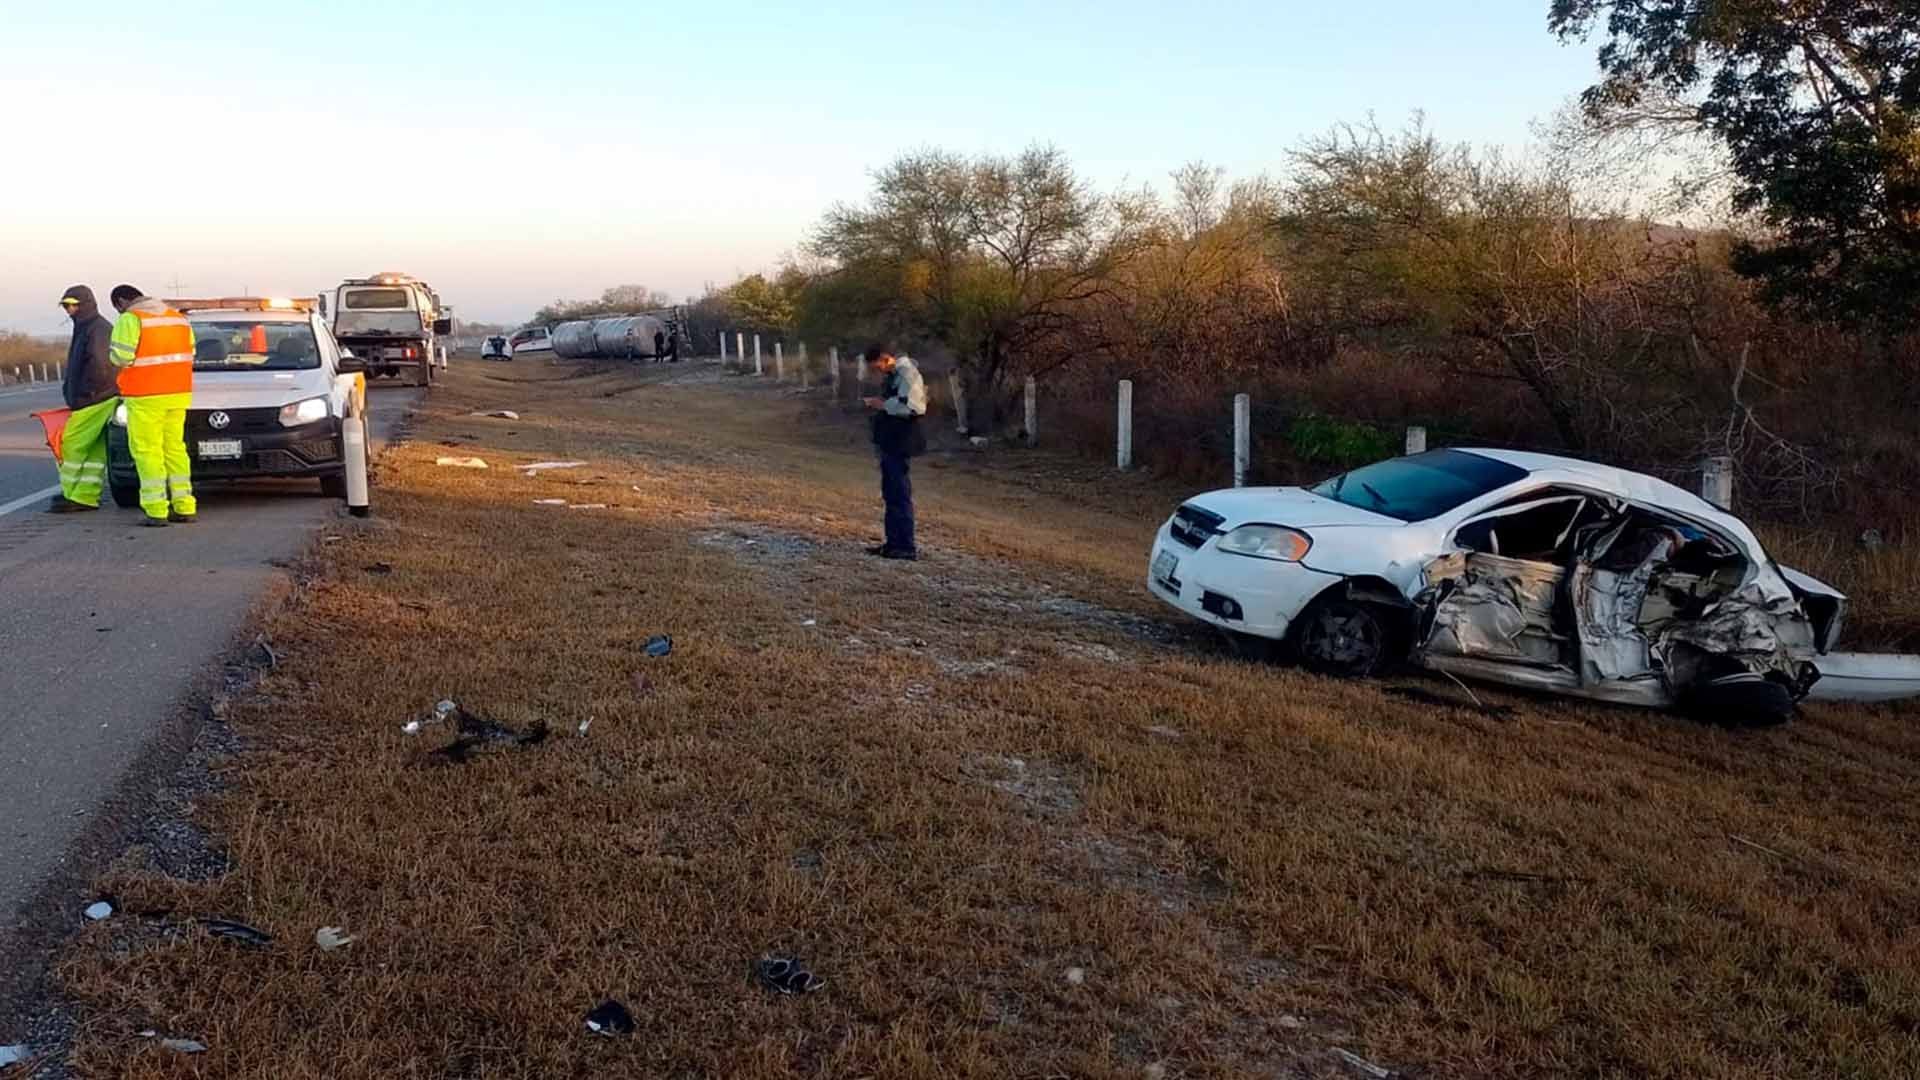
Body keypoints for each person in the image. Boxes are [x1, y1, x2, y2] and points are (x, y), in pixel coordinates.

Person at [108, 284, 196, 526]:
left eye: (117, 307)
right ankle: (184, 505)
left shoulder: (131, 319)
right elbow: (191, 352)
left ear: (122, 302)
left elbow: (120, 357)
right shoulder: (177, 319)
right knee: (175, 449)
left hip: (145, 394)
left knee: (148, 452)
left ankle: (156, 510)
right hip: (178, 393)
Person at [47, 286, 117, 513]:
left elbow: (101, 366)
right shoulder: (88, 326)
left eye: (72, 304)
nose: (69, 310)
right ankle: (85, 495)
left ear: (85, 304)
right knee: (94, 449)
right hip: (100, 396)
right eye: (66, 305)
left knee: (71, 444)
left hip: (95, 398)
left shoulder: (96, 329)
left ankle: (73, 495)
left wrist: (85, 394)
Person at [861, 344, 927, 560]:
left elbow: (915, 406)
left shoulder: (907, 373)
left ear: (884, 358)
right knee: (891, 493)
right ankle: (893, 544)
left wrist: (882, 404)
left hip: (901, 440)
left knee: (899, 494)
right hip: (891, 440)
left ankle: (906, 547)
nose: (877, 371)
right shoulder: (894, 374)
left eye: (876, 366)